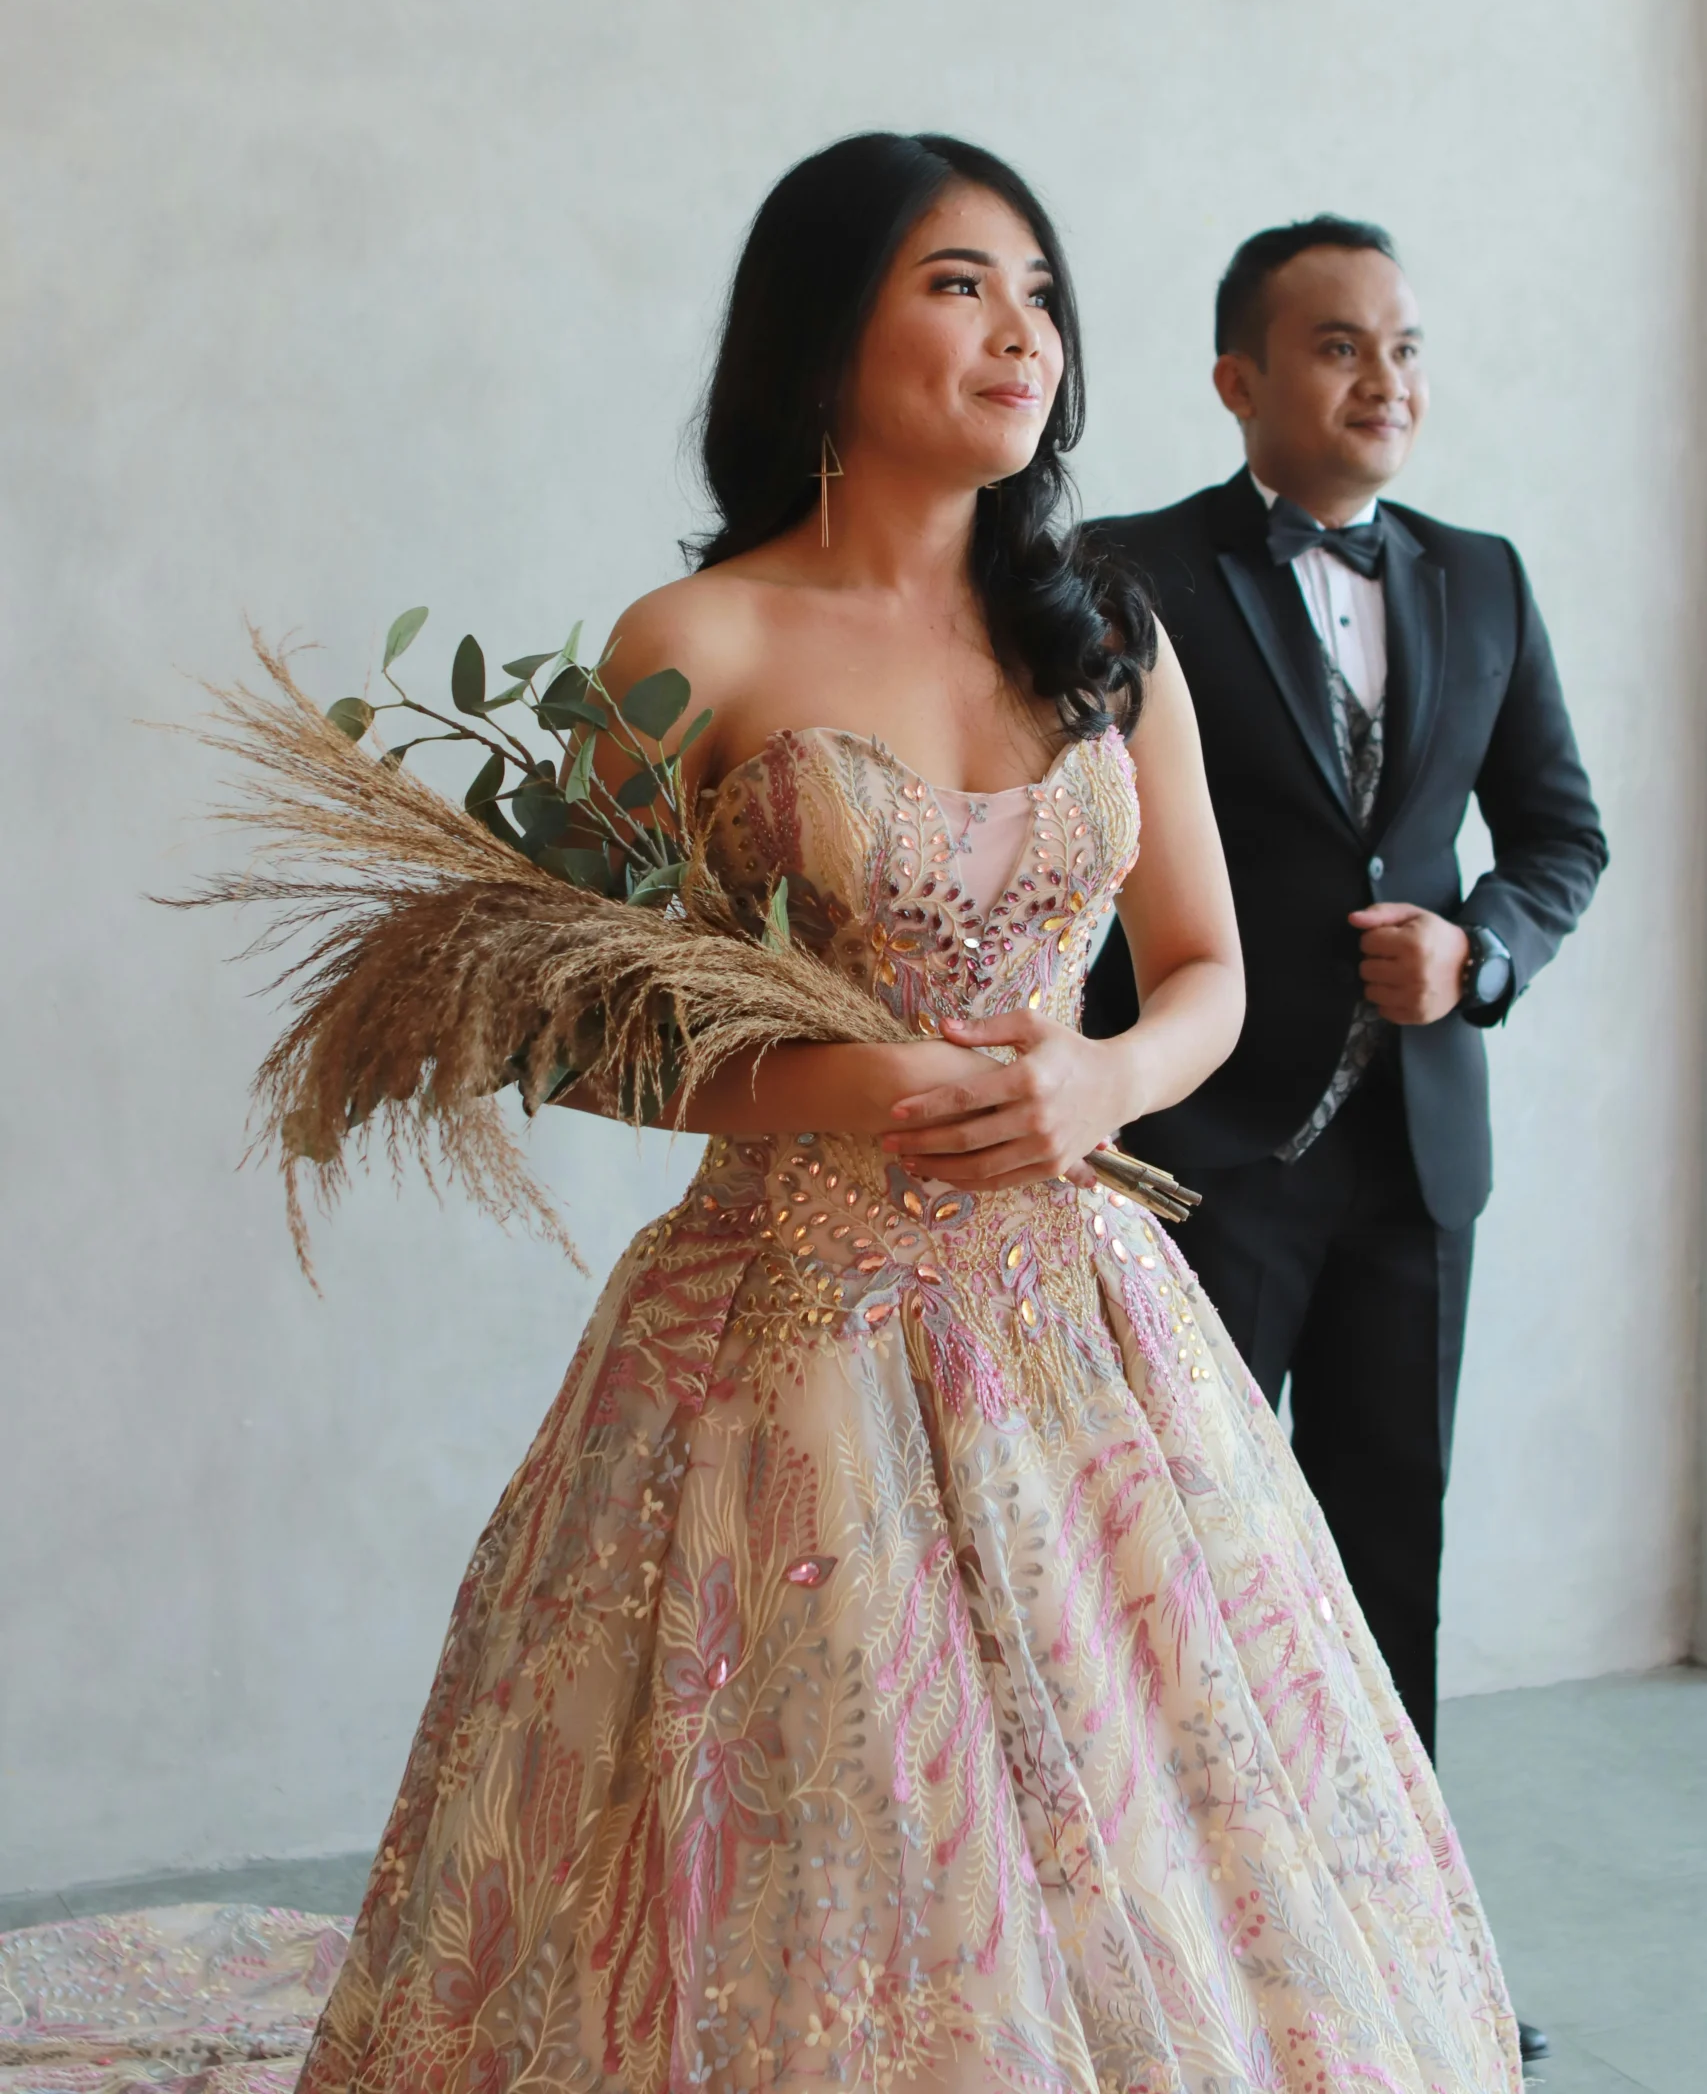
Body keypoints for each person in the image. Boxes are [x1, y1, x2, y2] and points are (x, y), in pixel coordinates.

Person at [300, 147, 1519, 2094]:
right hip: (785, 1328)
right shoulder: (694, 638)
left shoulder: (1103, 633)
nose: (1022, 325)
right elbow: (564, 1016)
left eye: (1037, 285)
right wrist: (841, 1081)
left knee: (1131, 1809)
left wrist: (1101, 1075)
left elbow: (1204, 966)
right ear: (819, 332)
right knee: (818, 1810)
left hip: (1080, 1307)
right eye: (959, 281)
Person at [1084, 215, 1606, 2068]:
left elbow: (1559, 834)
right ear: (1235, 380)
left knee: (1392, 1559)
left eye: (1401, 344)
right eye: (1331, 346)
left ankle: (1411, 1971)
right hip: (1201, 1155)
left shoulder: (1481, 578)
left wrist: (1480, 956)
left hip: (1414, 1168)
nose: (1381, 378)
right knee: (1191, 1575)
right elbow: (1064, 832)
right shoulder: (1122, 571)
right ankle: (1191, 1987)